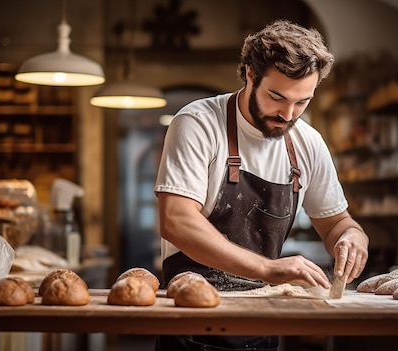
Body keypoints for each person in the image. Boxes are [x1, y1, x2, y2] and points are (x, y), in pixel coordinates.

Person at [154, 19, 369, 350]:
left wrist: (352, 237)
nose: (288, 114)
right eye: (277, 97)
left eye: (302, 102)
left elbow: (337, 222)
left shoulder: (308, 142)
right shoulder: (197, 123)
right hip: (195, 314)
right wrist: (269, 269)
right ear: (250, 75)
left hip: (265, 315)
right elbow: (176, 221)